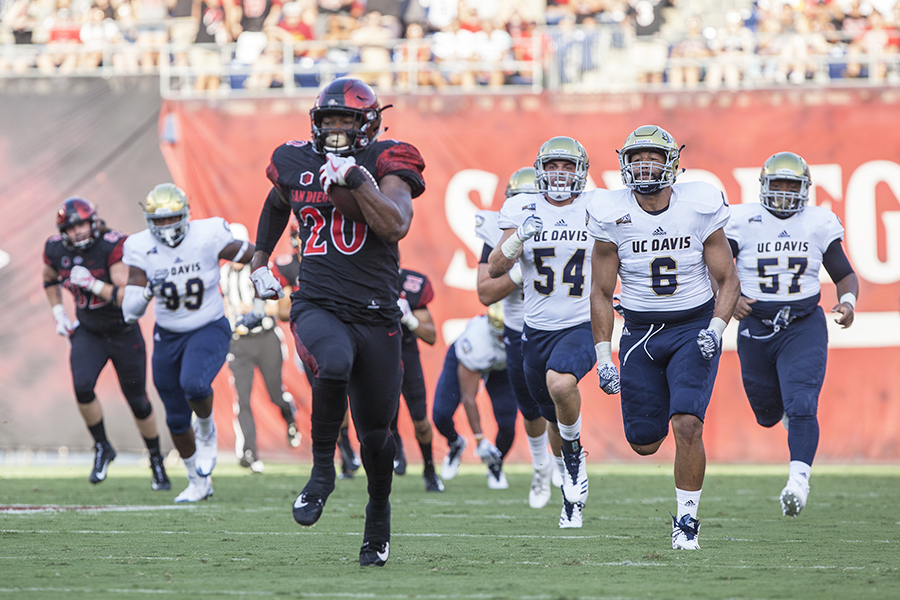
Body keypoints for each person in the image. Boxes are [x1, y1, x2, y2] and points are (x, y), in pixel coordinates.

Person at [248, 77, 425, 567]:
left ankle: (378, 514)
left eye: (345, 119)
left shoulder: (388, 160)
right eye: (328, 120)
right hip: (318, 302)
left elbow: (395, 224)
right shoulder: (295, 159)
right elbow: (278, 201)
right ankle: (322, 471)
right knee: (333, 360)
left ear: (366, 122)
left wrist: (356, 181)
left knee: (377, 438)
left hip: (377, 312)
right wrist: (261, 259)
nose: (336, 129)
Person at [586, 125, 741, 549]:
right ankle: (653, 445)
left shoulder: (699, 203)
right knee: (643, 442)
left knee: (687, 423)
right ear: (624, 164)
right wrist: (603, 356)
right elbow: (600, 292)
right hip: (639, 334)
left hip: (693, 327)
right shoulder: (610, 211)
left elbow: (728, 279)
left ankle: (687, 522)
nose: (644, 165)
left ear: (672, 163)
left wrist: (716, 328)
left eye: (653, 156)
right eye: (636, 158)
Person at [725, 151, 858, 518]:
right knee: (766, 414)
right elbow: (715, 268)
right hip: (756, 325)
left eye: (792, 185)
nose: (784, 192)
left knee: (802, 404)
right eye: (778, 184)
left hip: (803, 323)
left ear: (805, 189)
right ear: (764, 187)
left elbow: (844, 273)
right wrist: (729, 297)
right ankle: (792, 422)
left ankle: (798, 481)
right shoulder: (742, 220)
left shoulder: (818, 222)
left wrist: (847, 302)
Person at [488, 137, 598, 529]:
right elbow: (494, 269)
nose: (560, 173)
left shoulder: (597, 205)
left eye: (567, 166)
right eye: (553, 166)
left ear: (581, 171)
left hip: (582, 322)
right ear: (541, 170)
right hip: (535, 329)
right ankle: (570, 481)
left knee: (561, 382)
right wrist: (519, 237)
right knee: (551, 416)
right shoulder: (522, 206)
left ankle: (573, 460)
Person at [121, 183, 254, 503]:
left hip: (208, 326)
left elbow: (250, 253)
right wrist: (148, 291)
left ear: (186, 216)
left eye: (173, 219)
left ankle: (207, 429)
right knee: (177, 418)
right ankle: (197, 480)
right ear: (149, 221)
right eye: (160, 221)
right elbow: (129, 312)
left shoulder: (207, 234)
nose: (167, 227)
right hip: (167, 336)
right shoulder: (139, 247)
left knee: (194, 385)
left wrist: (258, 266)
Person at [42, 197, 169, 490]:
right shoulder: (55, 248)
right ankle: (102, 447)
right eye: (71, 227)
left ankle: (156, 461)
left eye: (82, 224)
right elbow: (49, 278)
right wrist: (58, 312)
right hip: (89, 331)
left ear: (93, 222)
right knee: (83, 387)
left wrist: (93, 284)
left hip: (123, 330)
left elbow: (127, 294)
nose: (77, 232)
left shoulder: (112, 244)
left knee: (138, 402)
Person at [475, 167, 562, 509]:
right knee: (530, 409)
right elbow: (484, 291)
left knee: (560, 395)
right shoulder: (497, 230)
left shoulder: (565, 222)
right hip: (517, 329)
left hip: (558, 325)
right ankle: (541, 467)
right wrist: (518, 269)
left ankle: (565, 461)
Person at [271, 216, 361, 480]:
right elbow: (283, 311)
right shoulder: (288, 266)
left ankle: (353, 449)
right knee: (331, 395)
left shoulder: (336, 260)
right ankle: (343, 449)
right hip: (311, 339)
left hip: (345, 332)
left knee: (355, 395)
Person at [220, 222, 300, 474]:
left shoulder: (261, 271)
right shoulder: (222, 275)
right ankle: (249, 453)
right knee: (241, 399)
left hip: (266, 338)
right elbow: (222, 304)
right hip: (239, 342)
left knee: (275, 393)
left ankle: (289, 415)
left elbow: (280, 307)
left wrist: (255, 310)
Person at [432, 304, 517, 490]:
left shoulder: (525, 333)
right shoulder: (476, 340)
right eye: (502, 334)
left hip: (502, 368)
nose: (505, 339)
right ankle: (456, 443)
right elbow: (468, 397)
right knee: (441, 415)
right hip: (470, 360)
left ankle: (495, 463)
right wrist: (480, 440)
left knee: (507, 425)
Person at [393, 267, 443, 492]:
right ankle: (395, 448)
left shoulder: (411, 283)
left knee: (421, 421)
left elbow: (431, 336)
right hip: (376, 355)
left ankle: (429, 469)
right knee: (382, 420)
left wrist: (410, 320)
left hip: (406, 354)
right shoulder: (361, 277)